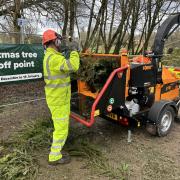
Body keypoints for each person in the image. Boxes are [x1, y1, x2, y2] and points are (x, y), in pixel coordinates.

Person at [42, 29, 80, 165]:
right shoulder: (55, 59)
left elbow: (61, 66)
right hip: (59, 100)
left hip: (55, 98)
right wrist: (75, 51)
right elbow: (74, 66)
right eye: (59, 40)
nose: (60, 43)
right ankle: (54, 156)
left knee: (59, 126)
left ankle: (55, 148)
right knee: (61, 129)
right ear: (55, 41)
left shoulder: (49, 57)